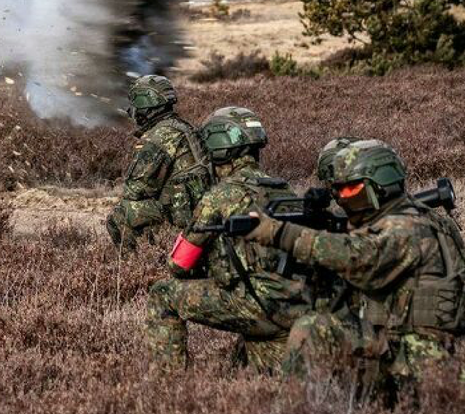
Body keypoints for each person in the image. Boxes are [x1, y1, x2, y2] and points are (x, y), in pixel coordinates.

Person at [243, 140, 465, 399]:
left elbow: (355, 257)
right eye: (338, 190)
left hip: (416, 361)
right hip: (412, 349)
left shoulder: (405, 228)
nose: (342, 198)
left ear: (379, 186)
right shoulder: (423, 217)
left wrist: (278, 232)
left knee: (313, 329)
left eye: (351, 188)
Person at [145, 107, 313, 372]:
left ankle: (167, 385)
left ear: (217, 148)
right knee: (273, 383)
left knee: (162, 295)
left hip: (254, 305)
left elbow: (178, 263)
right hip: (293, 304)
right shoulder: (284, 189)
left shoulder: (221, 195)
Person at [105, 75, 212, 250]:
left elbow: (135, 190)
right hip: (204, 213)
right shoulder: (185, 128)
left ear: (144, 104)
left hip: (183, 219)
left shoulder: (158, 136)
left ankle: (136, 267)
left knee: (121, 213)